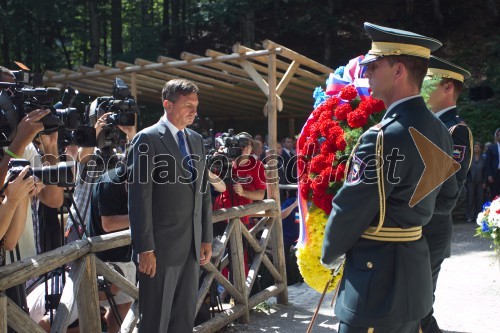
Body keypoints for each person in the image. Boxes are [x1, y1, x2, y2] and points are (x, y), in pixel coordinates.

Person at [321, 22, 458, 333]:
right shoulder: (440, 130)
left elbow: (349, 210)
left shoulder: (381, 137)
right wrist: (408, 220)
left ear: (398, 71)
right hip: (413, 273)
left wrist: (329, 254)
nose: (367, 72)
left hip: (375, 285)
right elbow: (447, 198)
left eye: (374, 65)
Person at [127, 78, 213, 333]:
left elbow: (203, 191)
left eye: (196, 106)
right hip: (159, 250)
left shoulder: (197, 140)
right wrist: (145, 249)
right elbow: (139, 198)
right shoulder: (146, 139)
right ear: (167, 104)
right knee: (156, 321)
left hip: (191, 246)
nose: (194, 112)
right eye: (188, 105)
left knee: (184, 319)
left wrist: (206, 237)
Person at [420, 56, 473, 333]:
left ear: (448, 88)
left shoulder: (456, 130)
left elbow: (450, 186)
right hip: (419, 223)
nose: (422, 87)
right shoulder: (427, 124)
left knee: (421, 301)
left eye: (429, 82)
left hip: (431, 225)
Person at [88, 124, 136, 333]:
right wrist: (145, 217)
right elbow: (108, 224)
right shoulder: (110, 182)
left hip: (126, 254)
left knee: (123, 309)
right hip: (103, 258)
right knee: (92, 310)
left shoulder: (136, 181)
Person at [213, 131, 266, 233]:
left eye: (248, 144)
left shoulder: (257, 166)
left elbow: (261, 195)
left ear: (252, 149)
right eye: (241, 144)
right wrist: (216, 159)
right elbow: (213, 183)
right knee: (217, 247)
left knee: (241, 247)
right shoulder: (224, 160)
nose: (245, 147)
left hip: (241, 216)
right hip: (220, 214)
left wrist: (243, 193)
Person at [466, 142, 486, 223]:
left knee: (480, 199)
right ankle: (469, 216)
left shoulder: (483, 158)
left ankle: (478, 217)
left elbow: (486, 171)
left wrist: (485, 182)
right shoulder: (469, 158)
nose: (476, 149)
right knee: (470, 199)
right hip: (470, 181)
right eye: (475, 147)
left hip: (480, 182)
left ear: (480, 149)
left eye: (478, 147)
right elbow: (466, 170)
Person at [485, 128, 500, 199]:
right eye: (499, 135)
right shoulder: (491, 148)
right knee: (494, 193)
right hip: (495, 173)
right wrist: (489, 175)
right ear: (496, 136)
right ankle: (494, 209)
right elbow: (488, 163)